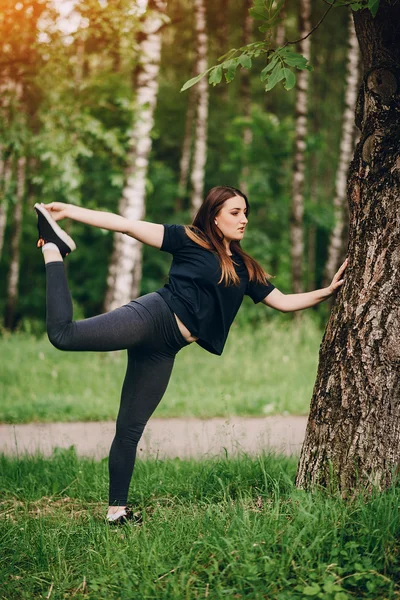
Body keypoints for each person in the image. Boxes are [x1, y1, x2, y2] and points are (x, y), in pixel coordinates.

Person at [34, 185, 348, 525]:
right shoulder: (189, 239)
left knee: (129, 428)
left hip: (166, 347)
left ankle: (117, 512)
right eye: (235, 212)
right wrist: (71, 211)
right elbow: (126, 224)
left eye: (245, 212)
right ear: (215, 216)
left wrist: (329, 291)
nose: (244, 219)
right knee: (63, 335)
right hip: (152, 316)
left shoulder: (243, 267)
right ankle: (55, 248)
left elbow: (284, 302)